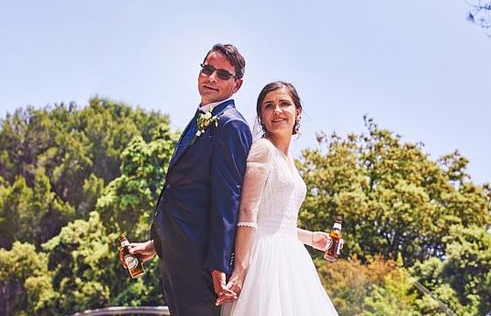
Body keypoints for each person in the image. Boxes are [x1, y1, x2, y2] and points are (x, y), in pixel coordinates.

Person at [126, 43, 252, 316]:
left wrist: (219, 265)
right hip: (177, 255)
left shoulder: (231, 125)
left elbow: (227, 201)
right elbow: (186, 195)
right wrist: (156, 245)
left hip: (201, 266)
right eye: (207, 69)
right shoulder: (200, 118)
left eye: (222, 74)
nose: (211, 78)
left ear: (237, 85)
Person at [219, 81, 339, 315]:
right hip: (263, 258)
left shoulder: (290, 161)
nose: (277, 111)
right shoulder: (263, 149)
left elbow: (277, 221)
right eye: (268, 106)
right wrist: (241, 269)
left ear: (298, 112)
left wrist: (312, 238)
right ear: (261, 116)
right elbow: (247, 212)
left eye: (284, 103)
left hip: (292, 257)